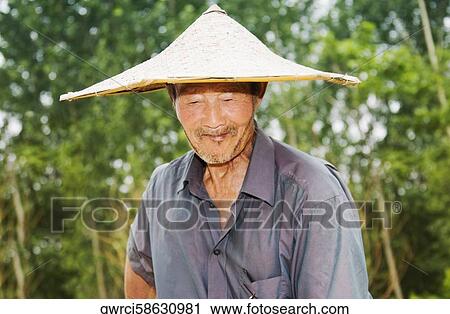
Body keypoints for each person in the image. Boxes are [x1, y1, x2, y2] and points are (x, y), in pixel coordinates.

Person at [59, 4, 370, 298]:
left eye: (228, 99)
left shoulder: (313, 190)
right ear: (173, 100)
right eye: (194, 102)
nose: (213, 121)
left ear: (257, 92)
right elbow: (142, 280)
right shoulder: (162, 186)